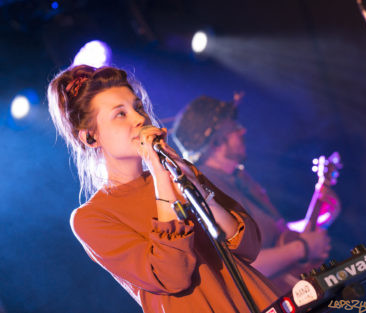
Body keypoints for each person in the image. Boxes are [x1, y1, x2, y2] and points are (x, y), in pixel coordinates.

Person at [47, 65, 280, 313]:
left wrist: (198, 188)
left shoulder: (180, 173)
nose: (140, 119)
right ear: (91, 137)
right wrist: (160, 174)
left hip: (259, 302)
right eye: (120, 114)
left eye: (138, 108)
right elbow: (172, 275)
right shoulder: (91, 218)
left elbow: (249, 246)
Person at [172, 94, 340, 294]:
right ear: (216, 142)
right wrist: (302, 248)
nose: (243, 130)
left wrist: (322, 216)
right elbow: (241, 265)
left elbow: (278, 235)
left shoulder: (240, 177)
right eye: (234, 127)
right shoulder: (206, 187)